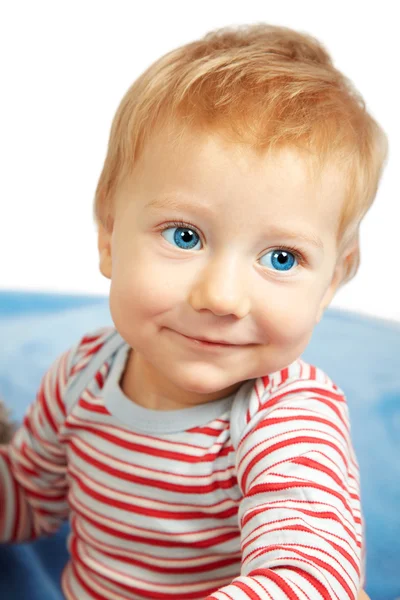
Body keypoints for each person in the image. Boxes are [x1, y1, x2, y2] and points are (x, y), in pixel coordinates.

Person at [0, 23, 387, 600]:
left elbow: (312, 575)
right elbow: (29, 499)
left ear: (332, 280)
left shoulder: (285, 419)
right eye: (184, 236)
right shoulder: (81, 374)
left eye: (281, 257)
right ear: (109, 239)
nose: (222, 297)